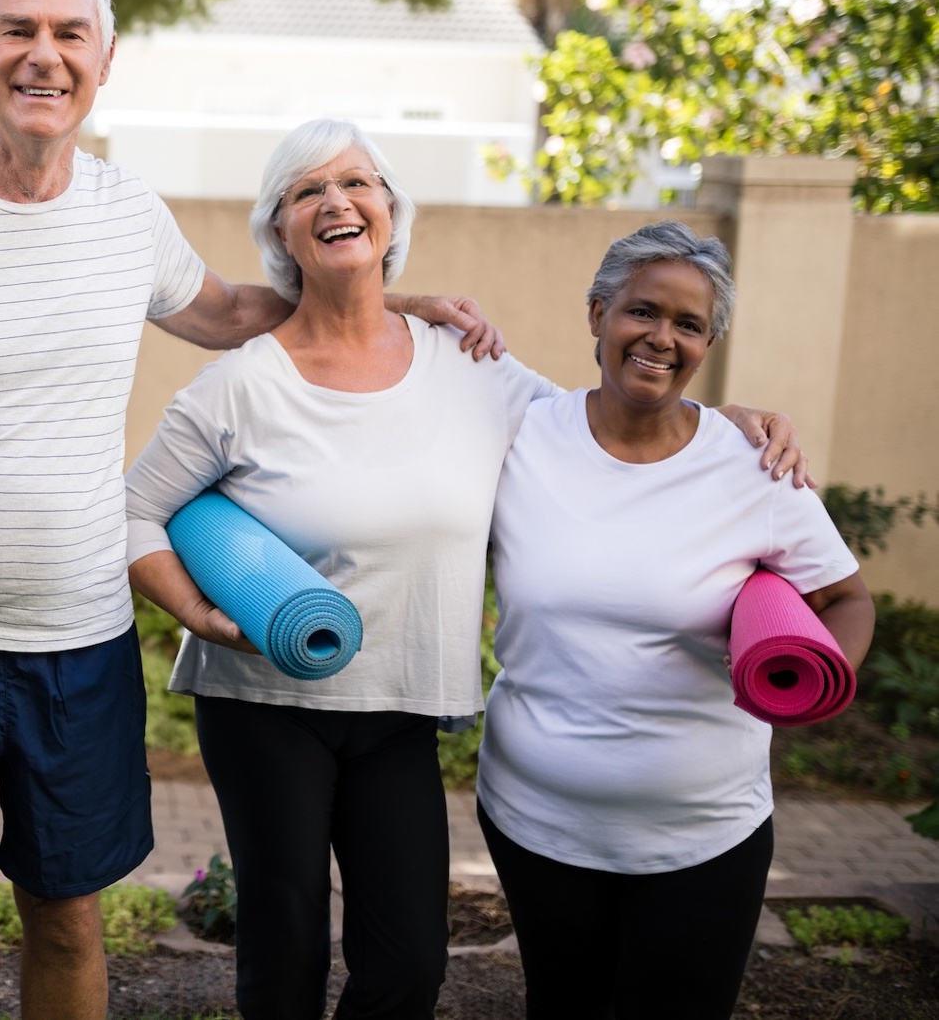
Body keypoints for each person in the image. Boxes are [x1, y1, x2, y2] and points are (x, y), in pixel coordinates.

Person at [0, 0, 505, 1020]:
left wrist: (391, 300)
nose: (42, 56)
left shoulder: (127, 215)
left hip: (81, 641)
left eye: (69, 35)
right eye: (18, 30)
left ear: (107, 60)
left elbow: (232, 312)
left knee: (70, 913)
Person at [122, 122, 805, 1020]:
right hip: (264, 703)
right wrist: (197, 614)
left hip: (401, 708)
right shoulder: (239, 386)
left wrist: (725, 422)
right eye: (306, 191)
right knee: (284, 953)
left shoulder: (472, 368)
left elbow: (596, 424)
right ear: (280, 230)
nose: (336, 201)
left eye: (359, 182)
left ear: (391, 212)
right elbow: (135, 509)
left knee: (408, 966)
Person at [475, 221, 872, 1020]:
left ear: (709, 342)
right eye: (642, 311)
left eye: (689, 324)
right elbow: (397, 338)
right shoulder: (521, 430)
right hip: (535, 823)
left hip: (706, 836)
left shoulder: (753, 465)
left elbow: (847, 598)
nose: (662, 338)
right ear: (597, 314)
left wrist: (822, 685)